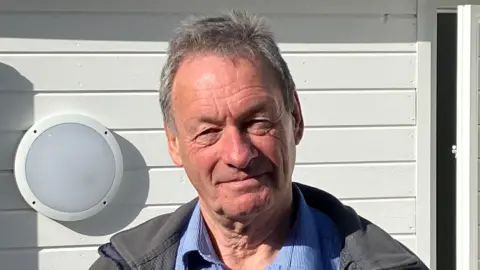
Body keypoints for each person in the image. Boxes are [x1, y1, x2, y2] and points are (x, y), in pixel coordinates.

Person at [90, 10, 428, 270]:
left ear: (295, 118)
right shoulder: (123, 265)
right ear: (174, 143)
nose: (238, 154)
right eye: (208, 131)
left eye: (256, 122)